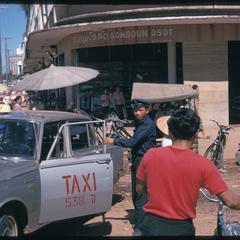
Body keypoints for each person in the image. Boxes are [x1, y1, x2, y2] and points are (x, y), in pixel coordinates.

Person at [136, 108, 240, 236]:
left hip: (151, 226)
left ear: (169, 131)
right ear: (196, 133)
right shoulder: (203, 164)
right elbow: (231, 201)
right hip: (181, 229)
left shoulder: (150, 155)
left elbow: (140, 189)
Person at [103, 99, 156, 235]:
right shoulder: (141, 123)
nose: (137, 113)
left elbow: (133, 142)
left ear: (147, 110)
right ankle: (143, 222)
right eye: (135, 110)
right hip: (139, 160)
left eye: (140, 110)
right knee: (136, 194)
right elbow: (137, 145)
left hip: (145, 161)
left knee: (140, 196)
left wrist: (113, 141)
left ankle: (140, 227)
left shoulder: (147, 124)